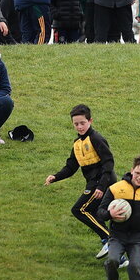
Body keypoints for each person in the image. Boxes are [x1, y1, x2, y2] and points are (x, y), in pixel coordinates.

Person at [44, 104, 116, 259]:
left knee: (80, 210)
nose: (80, 126)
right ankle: (118, 256)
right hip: (93, 184)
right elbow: (70, 167)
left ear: (90, 121)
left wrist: (102, 187)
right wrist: (55, 177)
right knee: (94, 213)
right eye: (76, 124)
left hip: (103, 183)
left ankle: (110, 240)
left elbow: (109, 163)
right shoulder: (77, 144)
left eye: (82, 123)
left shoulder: (96, 139)